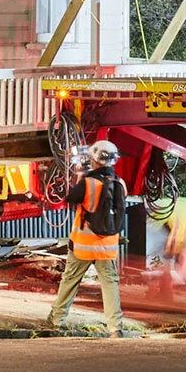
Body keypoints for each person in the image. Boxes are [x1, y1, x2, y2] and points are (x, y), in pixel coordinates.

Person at [46, 139, 128, 337]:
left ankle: (56, 320)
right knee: (109, 285)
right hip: (107, 247)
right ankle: (115, 328)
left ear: (93, 158)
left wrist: (78, 176)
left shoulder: (88, 183)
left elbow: (68, 198)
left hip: (83, 246)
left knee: (70, 281)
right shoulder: (120, 183)